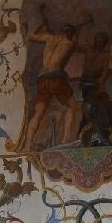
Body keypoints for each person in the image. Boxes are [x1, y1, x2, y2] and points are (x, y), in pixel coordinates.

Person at [15, 10, 90, 151]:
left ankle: (28, 144)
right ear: (71, 33)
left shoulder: (49, 38)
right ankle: (66, 140)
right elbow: (76, 37)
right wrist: (84, 24)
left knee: (39, 113)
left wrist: (42, 24)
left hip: (42, 80)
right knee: (72, 107)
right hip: (56, 79)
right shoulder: (70, 43)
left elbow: (31, 35)